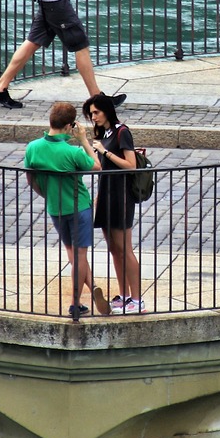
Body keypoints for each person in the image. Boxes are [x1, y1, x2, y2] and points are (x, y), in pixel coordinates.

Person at [23, 101, 111, 318]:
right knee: (80, 254)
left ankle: (91, 288)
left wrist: (45, 193)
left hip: (55, 207)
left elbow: (30, 178)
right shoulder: (72, 152)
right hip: (79, 206)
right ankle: (75, 302)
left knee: (72, 253)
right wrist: (83, 140)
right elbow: (97, 166)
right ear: (70, 126)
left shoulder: (33, 148)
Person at [82, 92, 143, 314]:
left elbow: (131, 164)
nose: (93, 117)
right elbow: (100, 165)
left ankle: (137, 299)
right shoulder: (104, 133)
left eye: (96, 112)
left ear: (107, 110)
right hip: (106, 194)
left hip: (121, 195)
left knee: (125, 248)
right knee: (114, 249)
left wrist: (105, 151)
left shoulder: (121, 132)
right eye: (91, 114)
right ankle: (124, 295)